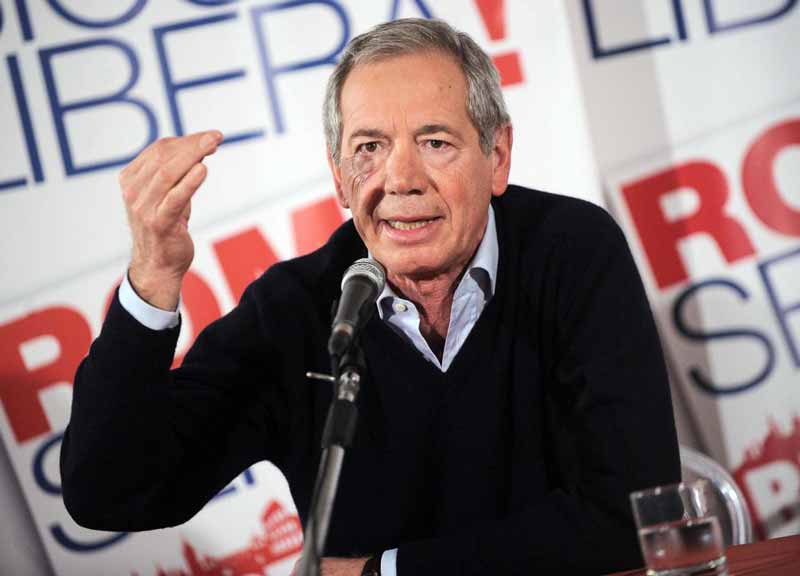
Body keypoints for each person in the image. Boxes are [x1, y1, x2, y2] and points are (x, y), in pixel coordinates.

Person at [61, 18, 680, 576]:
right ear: (339, 178)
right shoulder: (294, 311)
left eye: (435, 142)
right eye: (369, 148)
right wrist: (153, 275)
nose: (400, 180)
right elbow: (110, 492)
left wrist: (381, 574)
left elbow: (635, 513)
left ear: (497, 157)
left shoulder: (573, 252)